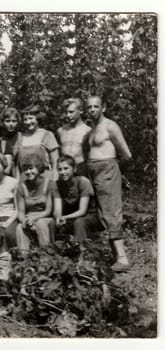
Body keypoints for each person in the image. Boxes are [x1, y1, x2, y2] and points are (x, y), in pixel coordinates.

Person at [85, 95, 132, 272]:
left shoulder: (110, 126)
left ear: (103, 108)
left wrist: (115, 171)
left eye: (95, 107)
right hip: (95, 173)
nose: (92, 110)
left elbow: (127, 154)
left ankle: (122, 258)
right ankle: (115, 257)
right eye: (89, 107)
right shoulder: (92, 128)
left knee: (112, 212)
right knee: (103, 213)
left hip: (108, 171)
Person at [51, 155, 102, 244]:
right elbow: (57, 209)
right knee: (51, 223)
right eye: (60, 169)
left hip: (90, 216)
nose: (63, 172)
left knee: (79, 222)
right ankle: (52, 251)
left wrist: (66, 217)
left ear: (74, 169)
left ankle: (81, 251)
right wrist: (59, 218)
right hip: (71, 216)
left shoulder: (83, 182)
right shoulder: (56, 185)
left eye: (66, 168)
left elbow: (82, 210)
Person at [15, 153, 55, 257]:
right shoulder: (21, 187)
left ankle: (46, 256)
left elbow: (48, 210)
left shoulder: (48, 184)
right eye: (26, 169)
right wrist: (25, 221)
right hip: (29, 218)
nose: (28, 172)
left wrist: (35, 219)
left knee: (41, 223)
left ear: (38, 168)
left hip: (44, 217)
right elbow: (20, 212)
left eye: (31, 168)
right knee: (20, 227)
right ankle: (24, 258)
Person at [16, 104, 59, 180]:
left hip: (44, 177)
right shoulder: (20, 137)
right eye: (25, 119)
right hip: (25, 178)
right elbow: (17, 165)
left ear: (37, 118)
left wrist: (55, 180)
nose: (28, 122)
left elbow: (55, 162)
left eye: (30, 118)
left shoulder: (47, 135)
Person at [56, 98, 91, 176]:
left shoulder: (88, 131)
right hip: (63, 170)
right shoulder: (61, 131)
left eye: (71, 112)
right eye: (66, 112)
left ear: (81, 110)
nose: (68, 115)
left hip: (80, 169)